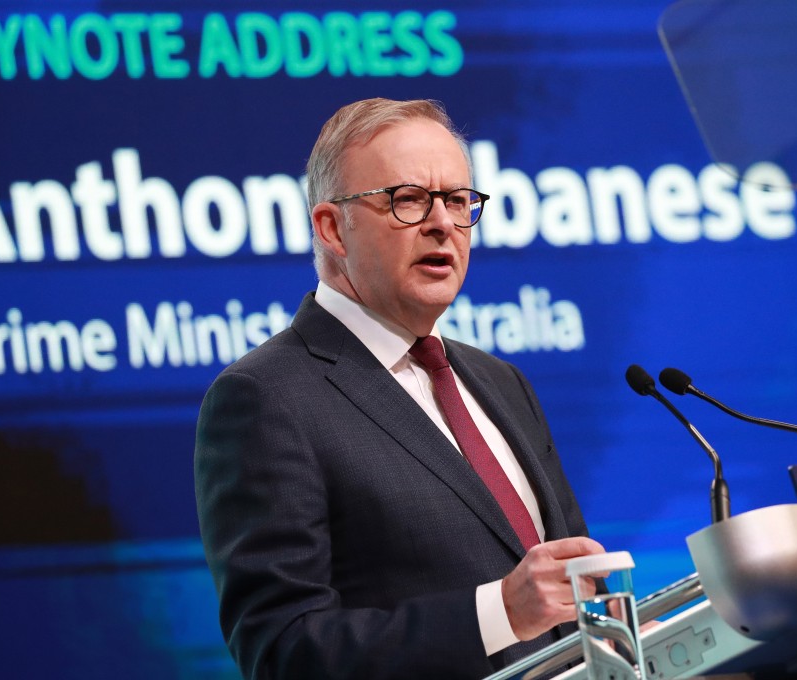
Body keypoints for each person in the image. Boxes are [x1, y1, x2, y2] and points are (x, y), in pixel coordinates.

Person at [194, 98, 603, 679]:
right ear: (332, 227)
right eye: (408, 200)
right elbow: (283, 652)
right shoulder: (266, 398)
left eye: (459, 201)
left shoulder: (500, 382)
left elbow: (571, 587)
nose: (442, 223)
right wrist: (497, 612)